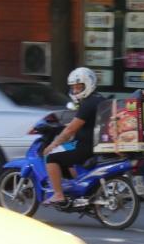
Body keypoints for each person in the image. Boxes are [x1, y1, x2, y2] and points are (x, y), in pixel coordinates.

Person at [44, 67, 104, 206]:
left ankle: (58, 195)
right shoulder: (98, 99)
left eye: (79, 87)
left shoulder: (87, 103)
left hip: (84, 146)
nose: (76, 91)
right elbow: (80, 123)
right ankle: (77, 190)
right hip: (94, 144)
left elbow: (71, 129)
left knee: (52, 156)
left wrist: (53, 145)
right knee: (66, 154)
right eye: (74, 87)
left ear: (88, 84)